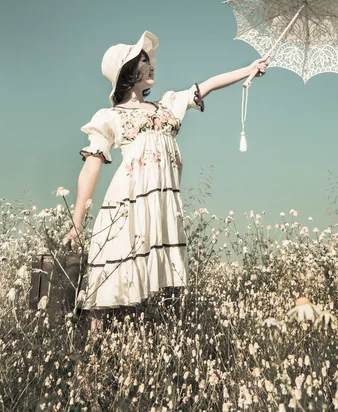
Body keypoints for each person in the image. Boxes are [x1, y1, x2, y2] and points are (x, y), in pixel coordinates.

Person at [62, 30, 268, 332]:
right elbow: (90, 170)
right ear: (129, 73)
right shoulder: (110, 117)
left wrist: (248, 69)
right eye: (143, 60)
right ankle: (91, 366)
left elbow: (207, 85)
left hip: (160, 208)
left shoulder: (168, 105)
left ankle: (135, 357)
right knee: (111, 295)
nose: (151, 64)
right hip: (126, 209)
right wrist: (76, 224)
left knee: (149, 299)